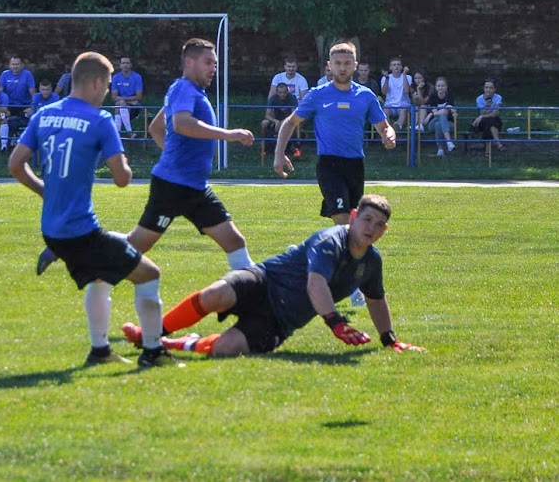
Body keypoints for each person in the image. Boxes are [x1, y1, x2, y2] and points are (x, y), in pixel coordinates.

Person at [8, 51, 175, 368]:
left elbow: (15, 164)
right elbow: (122, 179)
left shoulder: (44, 115)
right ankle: (154, 353)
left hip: (53, 229)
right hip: (80, 231)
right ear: (97, 82)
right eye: (108, 84)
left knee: (101, 277)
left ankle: (100, 351)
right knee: (149, 275)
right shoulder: (100, 120)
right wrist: (125, 166)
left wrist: (48, 192)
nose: (108, 92)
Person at [38, 38, 257, 277]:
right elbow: (182, 123)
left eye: (214, 63)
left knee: (233, 241)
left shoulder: (186, 92)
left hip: (192, 186)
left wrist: (175, 156)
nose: (213, 68)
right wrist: (229, 134)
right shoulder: (183, 88)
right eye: (208, 62)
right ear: (189, 62)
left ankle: (252, 290)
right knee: (135, 246)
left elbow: (155, 128)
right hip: (174, 187)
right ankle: (71, 248)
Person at [121, 195, 424, 358]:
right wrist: (335, 322)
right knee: (216, 294)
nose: (370, 228)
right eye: (367, 219)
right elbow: (315, 283)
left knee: (227, 350)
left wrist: (389, 340)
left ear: (385, 230)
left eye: (379, 224)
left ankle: (179, 344)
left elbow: (376, 299)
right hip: (264, 281)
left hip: (280, 320)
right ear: (354, 218)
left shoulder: (371, 261)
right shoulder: (330, 240)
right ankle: (153, 335)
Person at [273, 42, 396, 307]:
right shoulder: (317, 95)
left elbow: (384, 126)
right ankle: (351, 286)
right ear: (329, 66)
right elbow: (289, 123)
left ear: (355, 65)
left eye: (347, 63)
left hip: (355, 166)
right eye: (337, 63)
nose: (342, 67)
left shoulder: (365, 96)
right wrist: (278, 154)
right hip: (328, 165)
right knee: (343, 223)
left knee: (354, 225)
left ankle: (313, 258)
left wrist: (389, 135)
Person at [0, 56, 36, 144]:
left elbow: (33, 92)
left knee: (27, 118)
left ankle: (24, 141)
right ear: (9, 65)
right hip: (9, 106)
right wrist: (3, 107)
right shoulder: (4, 74)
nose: (15, 66)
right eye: (13, 64)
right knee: (3, 117)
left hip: (24, 106)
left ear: (22, 65)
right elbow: (0, 92)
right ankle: (4, 145)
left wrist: (32, 107)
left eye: (17, 64)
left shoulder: (27, 74)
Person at [260, 83, 298, 157]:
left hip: (289, 119)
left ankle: (297, 147)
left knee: (298, 123)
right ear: (277, 92)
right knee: (264, 123)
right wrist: (275, 121)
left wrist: (285, 121)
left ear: (287, 92)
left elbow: (294, 113)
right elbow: (267, 115)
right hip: (275, 119)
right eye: (280, 92)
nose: (282, 94)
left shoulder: (292, 98)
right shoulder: (272, 98)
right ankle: (263, 147)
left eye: (284, 92)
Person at [111, 56, 144, 137]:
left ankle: (116, 135)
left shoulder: (137, 77)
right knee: (120, 104)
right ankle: (129, 133)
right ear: (120, 65)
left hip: (134, 106)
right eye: (123, 63)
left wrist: (123, 99)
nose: (125, 65)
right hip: (123, 104)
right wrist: (127, 100)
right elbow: (114, 97)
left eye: (127, 63)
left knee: (119, 104)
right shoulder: (115, 78)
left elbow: (139, 97)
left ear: (131, 65)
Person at [425, 76, 457, 157]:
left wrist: (431, 114)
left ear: (446, 87)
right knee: (441, 117)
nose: (440, 88)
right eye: (438, 86)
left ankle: (440, 149)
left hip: (449, 123)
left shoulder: (450, 96)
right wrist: (433, 114)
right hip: (432, 123)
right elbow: (438, 112)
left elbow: (445, 111)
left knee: (438, 124)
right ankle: (449, 142)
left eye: (443, 86)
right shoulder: (433, 97)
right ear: (435, 87)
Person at [471, 78, 505, 152]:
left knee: (492, 122)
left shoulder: (498, 97)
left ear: (494, 89)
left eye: (491, 88)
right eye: (486, 88)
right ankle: (498, 144)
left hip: (493, 119)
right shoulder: (479, 99)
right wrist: (486, 106)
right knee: (490, 122)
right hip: (484, 122)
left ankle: (487, 150)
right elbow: (482, 112)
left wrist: (481, 116)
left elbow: (495, 113)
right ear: (484, 88)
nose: (488, 90)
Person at [380, 57, 412, 131]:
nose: (396, 66)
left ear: (401, 67)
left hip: (403, 105)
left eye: (398, 65)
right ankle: (389, 129)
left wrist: (404, 74)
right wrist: (387, 78)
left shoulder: (408, 77)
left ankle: (398, 126)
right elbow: (384, 92)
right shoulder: (385, 78)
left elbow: (407, 91)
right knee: (385, 110)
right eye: (394, 65)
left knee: (404, 110)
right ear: (390, 67)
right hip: (390, 105)